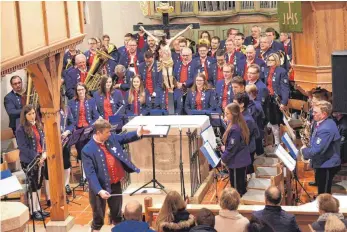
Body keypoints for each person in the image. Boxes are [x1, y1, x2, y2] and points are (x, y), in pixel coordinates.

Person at [82, 119, 150, 231]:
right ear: (98, 133)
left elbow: (124, 137)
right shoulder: (87, 150)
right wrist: (99, 190)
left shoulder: (111, 138)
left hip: (115, 184)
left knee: (117, 216)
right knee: (98, 218)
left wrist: (139, 132)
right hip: (99, 188)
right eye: (107, 132)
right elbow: (90, 174)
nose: (110, 134)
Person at [16, 105, 49, 220]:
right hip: (29, 161)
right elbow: (23, 147)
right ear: (24, 116)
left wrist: (44, 153)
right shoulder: (20, 129)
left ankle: (38, 207)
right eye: (29, 114)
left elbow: (42, 142)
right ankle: (33, 210)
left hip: (40, 158)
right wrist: (37, 157)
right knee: (33, 185)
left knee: (39, 184)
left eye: (33, 113)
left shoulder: (38, 126)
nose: (32, 116)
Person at [301, 101, 341, 194]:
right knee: (321, 187)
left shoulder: (326, 129)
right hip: (322, 162)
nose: (312, 114)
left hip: (327, 165)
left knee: (324, 193)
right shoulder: (322, 122)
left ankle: (325, 207)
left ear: (324, 114)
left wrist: (303, 152)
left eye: (315, 112)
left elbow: (316, 150)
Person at [139, 24, 193, 91]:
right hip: (163, 62)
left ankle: (171, 85)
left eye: (162, 37)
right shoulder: (159, 42)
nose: (162, 38)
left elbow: (178, 34)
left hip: (169, 61)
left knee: (170, 74)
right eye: (161, 37)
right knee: (164, 75)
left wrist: (186, 29)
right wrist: (144, 30)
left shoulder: (169, 41)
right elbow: (151, 35)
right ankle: (168, 86)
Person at [68, 83, 100, 181]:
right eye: (78, 90)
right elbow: (71, 118)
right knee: (81, 152)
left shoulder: (91, 101)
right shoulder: (71, 102)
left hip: (89, 130)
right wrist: (74, 128)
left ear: (85, 90)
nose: (80, 92)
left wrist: (92, 126)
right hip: (78, 131)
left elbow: (96, 116)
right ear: (76, 91)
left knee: (90, 151)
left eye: (82, 89)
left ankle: (92, 173)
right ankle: (84, 176)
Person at [221, 103, 251, 196]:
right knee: (240, 186)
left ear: (233, 115)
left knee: (237, 190)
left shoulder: (235, 129)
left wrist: (223, 159)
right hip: (239, 160)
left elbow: (232, 149)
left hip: (236, 163)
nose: (225, 116)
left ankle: (239, 205)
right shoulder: (237, 124)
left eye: (227, 114)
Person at [262, 53, 289, 146]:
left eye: (272, 60)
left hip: (277, 99)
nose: (269, 61)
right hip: (267, 98)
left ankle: (278, 142)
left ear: (276, 61)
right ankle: (273, 141)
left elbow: (285, 88)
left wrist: (284, 102)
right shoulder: (266, 70)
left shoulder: (281, 71)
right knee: (270, 120)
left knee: (276, 120)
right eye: (268, 60)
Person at [233, 92, 260, 175]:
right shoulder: (240, 115)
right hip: (243, 149)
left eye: (235, 103)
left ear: (242, 105)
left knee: (244, 176)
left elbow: (243, 139)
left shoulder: (247, 120)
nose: (233, 105)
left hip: (246, 151)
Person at [60, 97, 75, 195]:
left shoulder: (66, 109)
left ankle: (66, 184)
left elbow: (72, 123)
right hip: (52, 141)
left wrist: (67, 131)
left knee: (66, 162)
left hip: (64, 140)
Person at [246, 84, 266, 156]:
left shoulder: (256, 104)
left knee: (258, 148)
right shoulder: (254, 103)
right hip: (257, 129)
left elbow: (262, 116)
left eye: (246, 93)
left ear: (250, 94)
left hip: (257, 129)